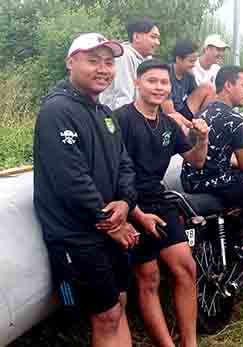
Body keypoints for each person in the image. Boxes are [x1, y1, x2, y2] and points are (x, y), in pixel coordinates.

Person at [33, 33, 138, 347]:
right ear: (71, 63)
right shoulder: (57, 111)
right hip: (76, 236)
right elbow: (71, 181)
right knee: (105, 316)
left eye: (108, 62)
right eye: (93, 60)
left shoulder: (104, 114)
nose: (103, 69)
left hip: (107, 227)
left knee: (119, 303)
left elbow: (124, 165)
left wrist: (126, 200)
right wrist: (112, 222)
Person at [114, 59, 208, 347]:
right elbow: (112, 172)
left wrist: (202, 138)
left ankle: (189, 343)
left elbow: (196, 160)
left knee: (186, 268)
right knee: (149, 278)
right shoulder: (120, 120)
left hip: (159, 199)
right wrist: (136, 213)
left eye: (164, 82)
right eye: (152, 81)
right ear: (137, 83)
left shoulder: (168, 123)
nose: (158, 87)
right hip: (130, 204)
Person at [181, 65, 243, 261]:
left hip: (191, 181)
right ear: (228, 85)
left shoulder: (203, 113)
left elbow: (214, 153)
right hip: (218, 184)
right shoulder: (236, 119)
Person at [100, 18, 160, 110]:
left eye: (158, 38)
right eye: (153, 37)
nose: (157, 43)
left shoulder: (147, 59)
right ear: (136, 37)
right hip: (116, 115)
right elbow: (123, 97)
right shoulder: (124, 55)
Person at [162, 40, 216, 128]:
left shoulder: (189, 75)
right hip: (169, 116)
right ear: (178, 59)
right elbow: (168, 111)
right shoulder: (165, 74)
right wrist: (190, 125)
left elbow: (196, 97)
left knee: (209, 87)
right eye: (191, 61)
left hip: (182, 110)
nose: (194, 65)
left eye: (195, 61)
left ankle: (202, 123)